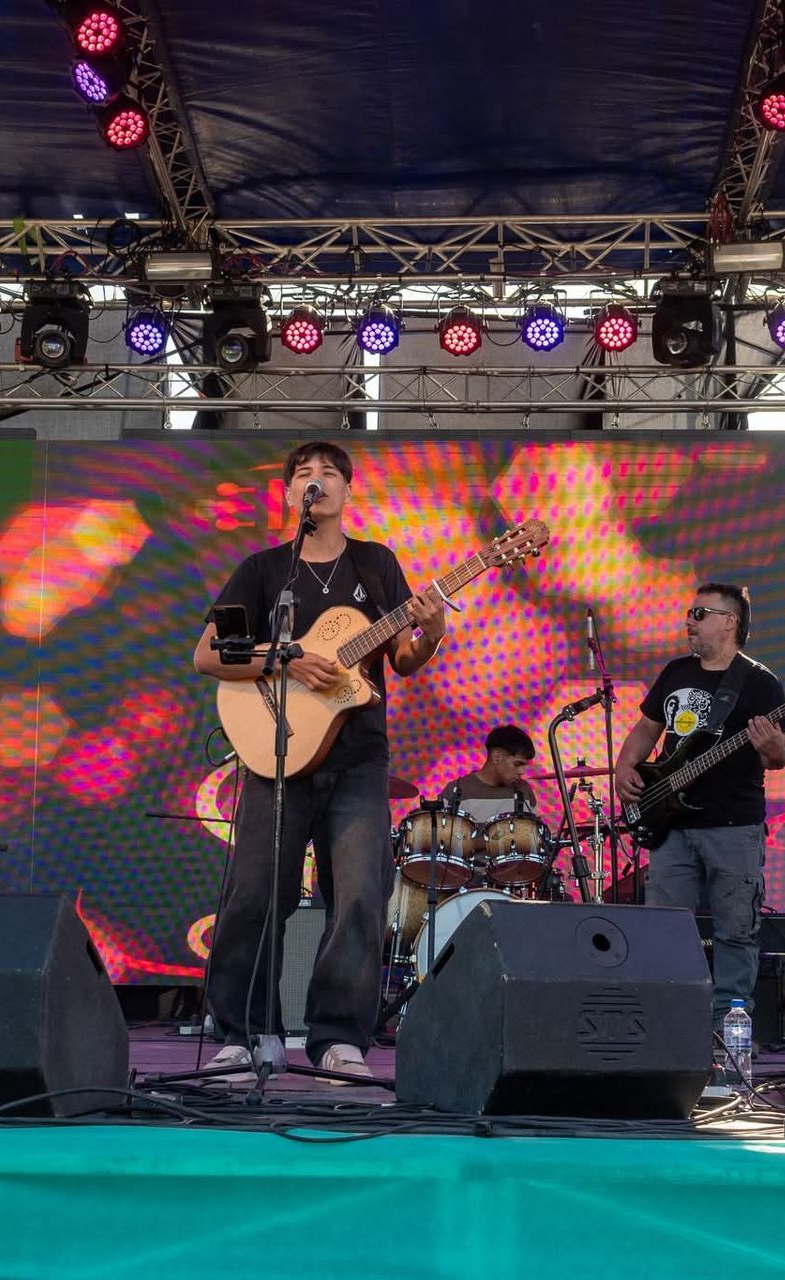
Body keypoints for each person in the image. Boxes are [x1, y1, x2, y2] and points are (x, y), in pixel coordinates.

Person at [192, 441, 446, 1081]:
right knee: (253, 894)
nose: (317, 481)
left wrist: (433, 628)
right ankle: (247, 1033)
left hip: (359, 757)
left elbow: (406, 660)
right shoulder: (263, 570)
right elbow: (209, 656)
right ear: (287, 495)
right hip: (273, 755)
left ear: (348, 491)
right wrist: (283, 659)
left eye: (330, 473)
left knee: (360, 894)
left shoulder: (376, 564)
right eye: (304, 474)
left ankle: (337, 1037)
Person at [614, 584, 785, 1039]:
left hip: (733, 826)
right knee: (664, 929)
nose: (688, 621)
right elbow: (646, 729)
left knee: (736, 931)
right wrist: (624, 766)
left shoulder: (759, 681)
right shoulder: (675, 672)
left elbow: (779, 757)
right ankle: (665, 1024)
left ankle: (726, 1031)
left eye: (699, 613)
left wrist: (774, 749)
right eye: (689, 613)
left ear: (730, 621)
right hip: (671, 824)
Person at [438, 724, 538, 812]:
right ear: (496, 757)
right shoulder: (455, 790)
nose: (522, 772)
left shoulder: (524, 790)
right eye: (517, 764)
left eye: (525, 766)